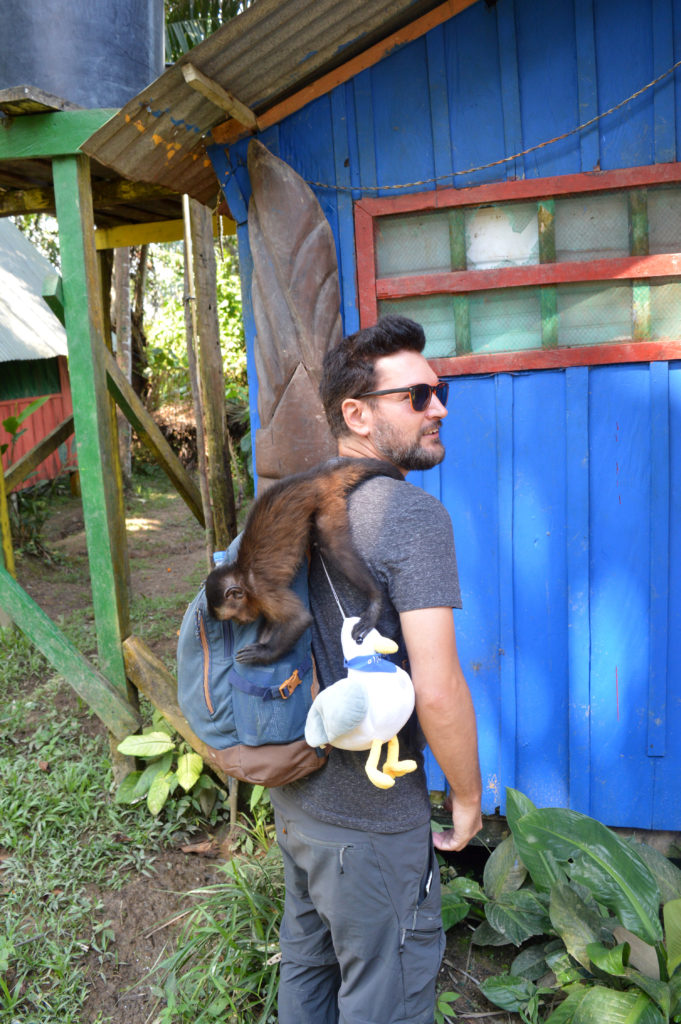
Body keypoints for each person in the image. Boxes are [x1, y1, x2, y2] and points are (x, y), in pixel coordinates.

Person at [269, 314, 482, 1024]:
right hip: (373, 822)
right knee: (385, 990)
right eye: (416, 397)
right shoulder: (410, 517)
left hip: (298, 801)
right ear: (355, 415)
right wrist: (466, 797)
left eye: (438, 390)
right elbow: (438, 687)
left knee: (308, 966)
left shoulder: (281, 507)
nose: (439, 408)